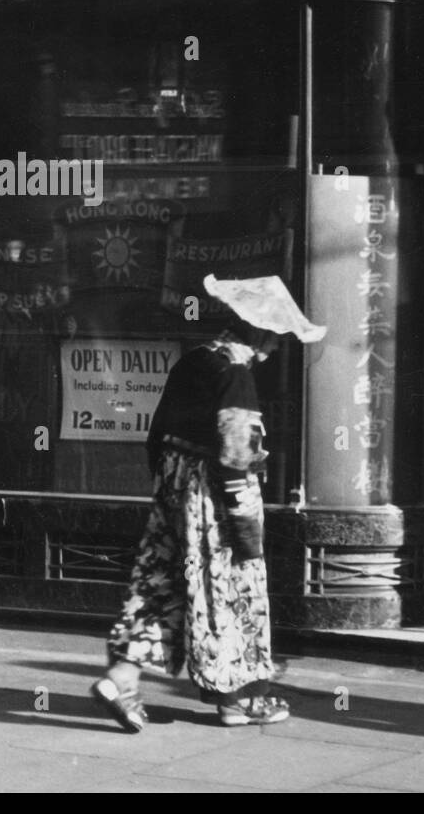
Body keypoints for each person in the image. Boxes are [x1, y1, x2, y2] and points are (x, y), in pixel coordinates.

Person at [92, 273, 326, 731]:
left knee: (159, 583)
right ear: (259, 332)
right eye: (276, 339)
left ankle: (120, 678)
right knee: (229, 589)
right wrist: (244, 527)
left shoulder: (194, 361)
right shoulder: (235, 375)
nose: (276, 349)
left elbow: (156, 433)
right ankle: (236, 700)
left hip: (173, 487)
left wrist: (169, 488)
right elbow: (237, 454)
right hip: (213, 494)